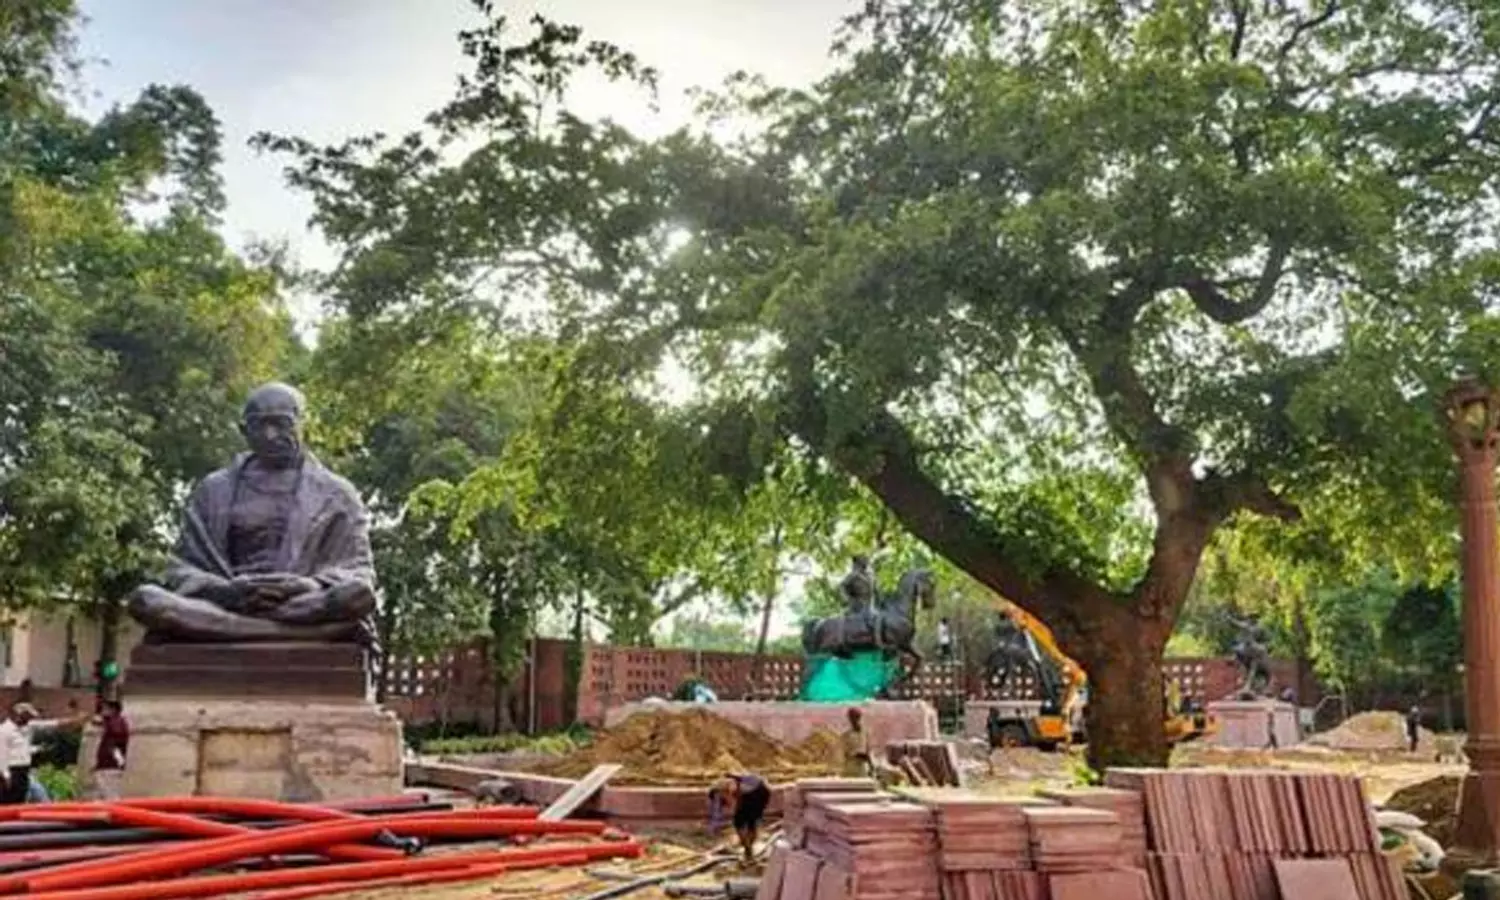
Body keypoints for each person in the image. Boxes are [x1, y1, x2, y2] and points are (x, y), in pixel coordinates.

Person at [126, 383, 380, 647]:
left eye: (281, 424)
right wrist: (226, 592)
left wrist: (308, 586)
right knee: (146, 600)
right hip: (227, 604)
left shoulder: (337, 493)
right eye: (259, 425)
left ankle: (232, 632)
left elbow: (358, 573)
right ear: (243, 430)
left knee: (358, 597)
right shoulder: (213, 490)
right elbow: (181, 569)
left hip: (302, 606)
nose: (270, 435)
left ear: (303, 423)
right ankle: (284, 635)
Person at [0, 703, 86, 805]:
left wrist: (75, 720)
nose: (30, 719)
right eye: (28, 716)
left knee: (20, 801)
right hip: (12, 771)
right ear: (19, 715)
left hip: (23, 770)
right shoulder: (4, 730)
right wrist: (6, 776)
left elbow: (52, 724)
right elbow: (2, 754)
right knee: (9, 801)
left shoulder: (28, 727)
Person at [707, 772, 771, 863]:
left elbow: (731, 796)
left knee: (739, 822)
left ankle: (748, 851)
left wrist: (714, 827)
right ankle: (749, 851)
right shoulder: (728, 782)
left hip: (755, 791)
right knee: (751, 821)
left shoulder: (722, 788)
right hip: (764, 789)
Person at [87, 699, 130, 800]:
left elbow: (115, 740)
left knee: (111, 796)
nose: (102, 712)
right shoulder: (114, 722)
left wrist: (105, 720)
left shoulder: (117, 722)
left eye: (105, 709)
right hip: (107, 765)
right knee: (102, 795)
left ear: (113, 710)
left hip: (110, 766)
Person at [841, 707, 872, 778]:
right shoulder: (846, 735)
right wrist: (856, 754)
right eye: (851, 718)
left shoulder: (865, 733)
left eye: (855, 717)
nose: (853, 720)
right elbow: (844, 753)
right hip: (851, 767)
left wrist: (871, 766)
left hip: (862, 767)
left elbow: (868, 750)